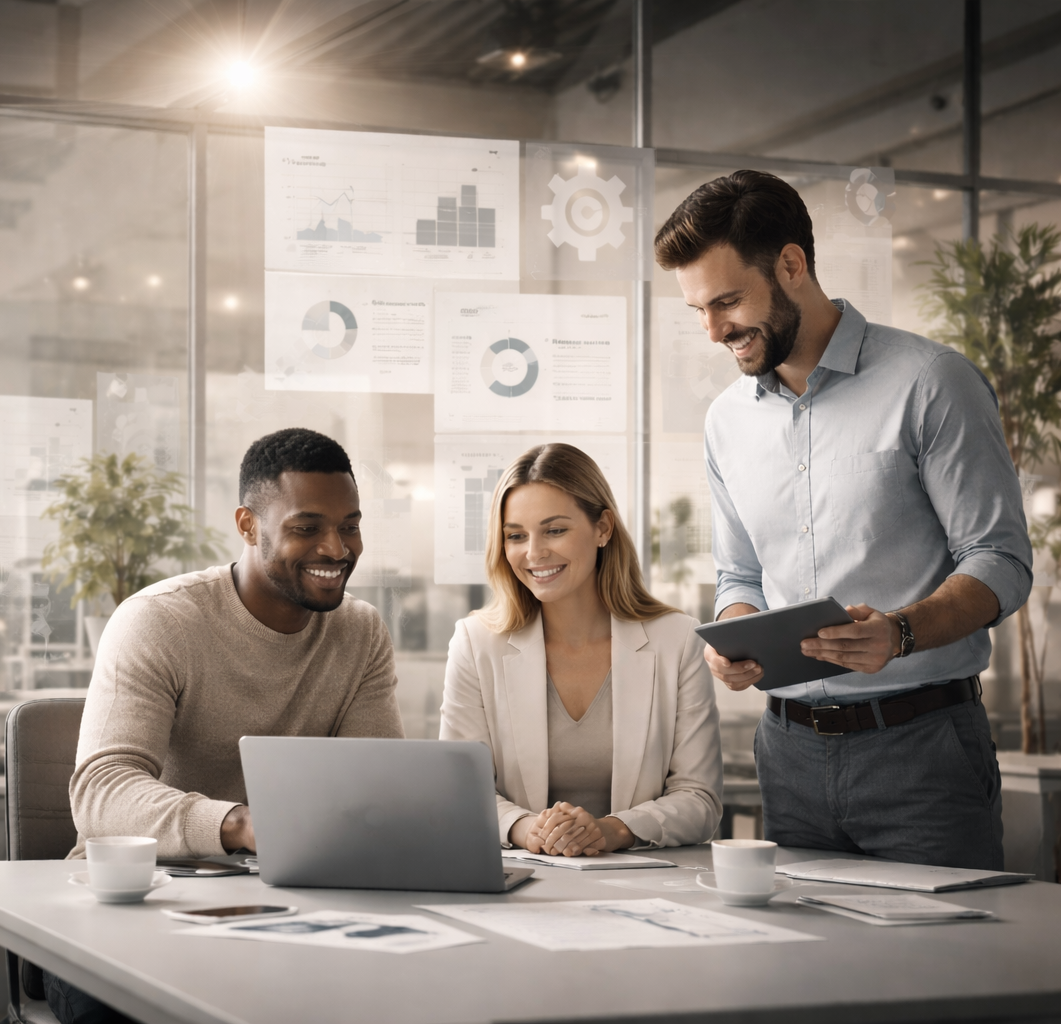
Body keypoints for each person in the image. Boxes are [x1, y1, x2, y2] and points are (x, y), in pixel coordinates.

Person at [655, 169, 1032, 870]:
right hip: (787, 754)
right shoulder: (726, 421)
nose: (713, 331)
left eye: (728, 301)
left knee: (944, 971)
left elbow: (1000, 560)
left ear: (792, 265)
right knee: (807, 971)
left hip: (922, 751)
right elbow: (739, 573)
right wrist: (736, 630)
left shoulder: (930, 381)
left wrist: (901, 632)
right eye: (698, 310)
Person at [50, 427, 403, 1023]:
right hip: (134, 911)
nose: (337, 548)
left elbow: (379, 787)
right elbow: (101, 791)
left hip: (287, 907)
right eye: (306, 527)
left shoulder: (360, 632)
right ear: (247, 526)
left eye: (350, 525)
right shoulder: (159, 621)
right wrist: (239, 824)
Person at [440, 443, 722, 858]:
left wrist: (612, 830)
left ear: (603, 528)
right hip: (524, 879)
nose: (534, 553)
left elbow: (700, 800)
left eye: (555, 530)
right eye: (516, 536)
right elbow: (458, 792)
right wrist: (527, 828)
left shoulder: (678, 639)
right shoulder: (475, 642)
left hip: (644, 886)